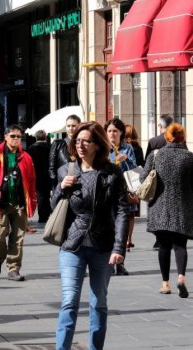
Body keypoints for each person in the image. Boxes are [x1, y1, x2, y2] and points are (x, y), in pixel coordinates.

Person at [53, 121, 129, 350]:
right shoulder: (66, 171)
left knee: (99, 303)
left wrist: (119, 248)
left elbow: (122, 211)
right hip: (72, 245)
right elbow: (54, 208)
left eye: (86, 141)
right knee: (69, 302)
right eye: (77, 141)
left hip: (103, 246)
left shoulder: (112, 172)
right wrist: (60, 189)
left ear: (98, 144)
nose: (80, 145)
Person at [141, 123, 193, 298]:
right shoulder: (189, 157)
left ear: (167, 137)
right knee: (180, 245)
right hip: (183, 207)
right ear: (182, 137)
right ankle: (181, 277)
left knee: (164, 246)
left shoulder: (156, 155)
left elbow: (143, 178)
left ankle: (165, 284)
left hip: (159, 207)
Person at [0, 125, 36, 282]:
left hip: (19, 203)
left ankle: (13, 269)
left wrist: (32, 202)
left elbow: (31, 181)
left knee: (18, 238)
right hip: (0, 203)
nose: (16, 139)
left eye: (18, 137)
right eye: (13, 136)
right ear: (6, 137)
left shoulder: (26, 157)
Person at [105, 118, 136, 276]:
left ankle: (121, 263)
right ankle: (109, 263)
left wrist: (127, 160)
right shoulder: (103, 148)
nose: (112, 134)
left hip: (123, 192)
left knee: (122, 229)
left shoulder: (127, 148)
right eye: (109, 131)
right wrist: (112, 160)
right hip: (107, 193)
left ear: (121, 133)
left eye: (115, 131)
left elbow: (134, 169)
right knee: (109, 229)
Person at [144, 115, 175, 250]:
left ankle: (159, 239)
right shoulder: (178, 140)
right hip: (173, 180)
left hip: (156, 180)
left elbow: (147, 162)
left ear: (160, 126)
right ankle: (172, 235)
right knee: (171, 209)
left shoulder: (154, 141)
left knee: (156, 210)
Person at [49, 115, 81, 190]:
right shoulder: (57, 144)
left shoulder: (82, 144)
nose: (71, 128)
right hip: (62, 186)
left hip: (80, 185)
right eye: (68, 126)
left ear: (79, 126)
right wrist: (57, 188)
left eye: (73, 126)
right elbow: (52, 169)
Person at [26, 130, 52, 223]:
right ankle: (48, 214)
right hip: (48, 174)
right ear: (46, 136)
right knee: (47, 194)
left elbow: (28, 163)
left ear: (35, 137)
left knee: (40, 195)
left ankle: (42, 216)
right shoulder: (50, 147)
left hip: (36, 174)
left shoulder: (31, 148)